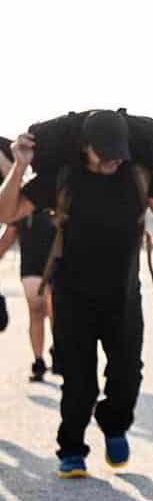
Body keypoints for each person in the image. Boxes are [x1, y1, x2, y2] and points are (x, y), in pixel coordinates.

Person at [0, 112, 153, 478]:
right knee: (78, 379)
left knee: (127, 376)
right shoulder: (63, 177)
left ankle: (114, 423)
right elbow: (7, 211)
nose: (112, 161)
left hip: (123, 295)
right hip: (71, 294)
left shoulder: (138, 175)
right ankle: (71, 448)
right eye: (105, 154)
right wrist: (19, 167)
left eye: (118, 154)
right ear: (85, 148)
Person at [0, 137, 59, 381]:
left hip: (54, 264)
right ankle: (39, 359)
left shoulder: (52, 194)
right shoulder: (26, 199)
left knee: (52, 312)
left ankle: (54, 354)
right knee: (39, 312)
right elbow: (9, 233)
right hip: (34, 265)